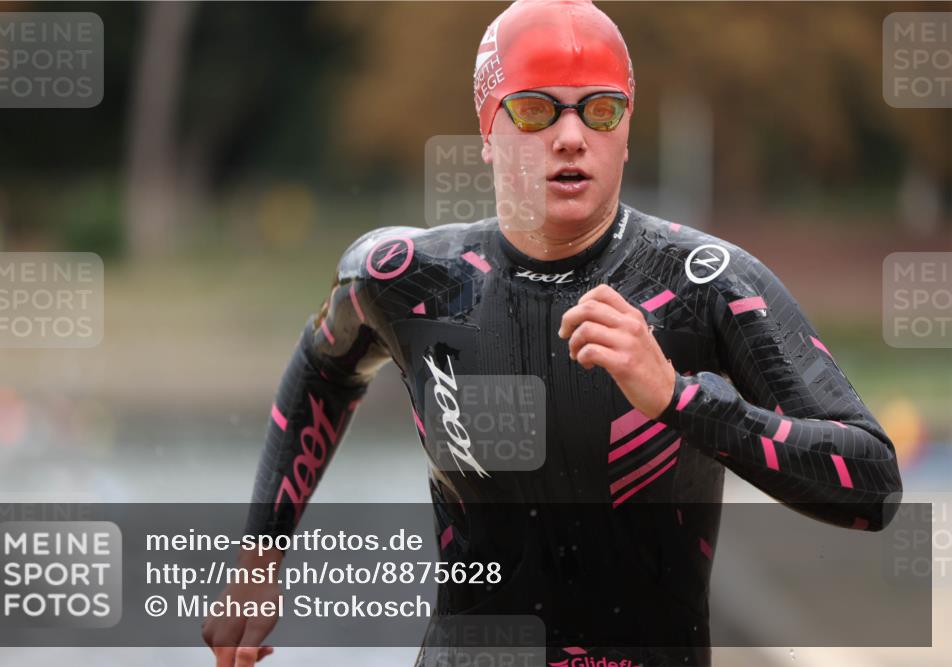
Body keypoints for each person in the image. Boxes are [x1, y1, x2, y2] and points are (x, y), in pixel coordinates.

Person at [204, 1, 904, 665]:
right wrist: (260, 556)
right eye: (537, 109)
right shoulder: (405, 279)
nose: (572, 136)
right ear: (487, 129)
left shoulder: (705, 284)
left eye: (601, 110)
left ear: (626, 134)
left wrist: (680, 401)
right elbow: (323, 368)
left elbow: (874, 486)